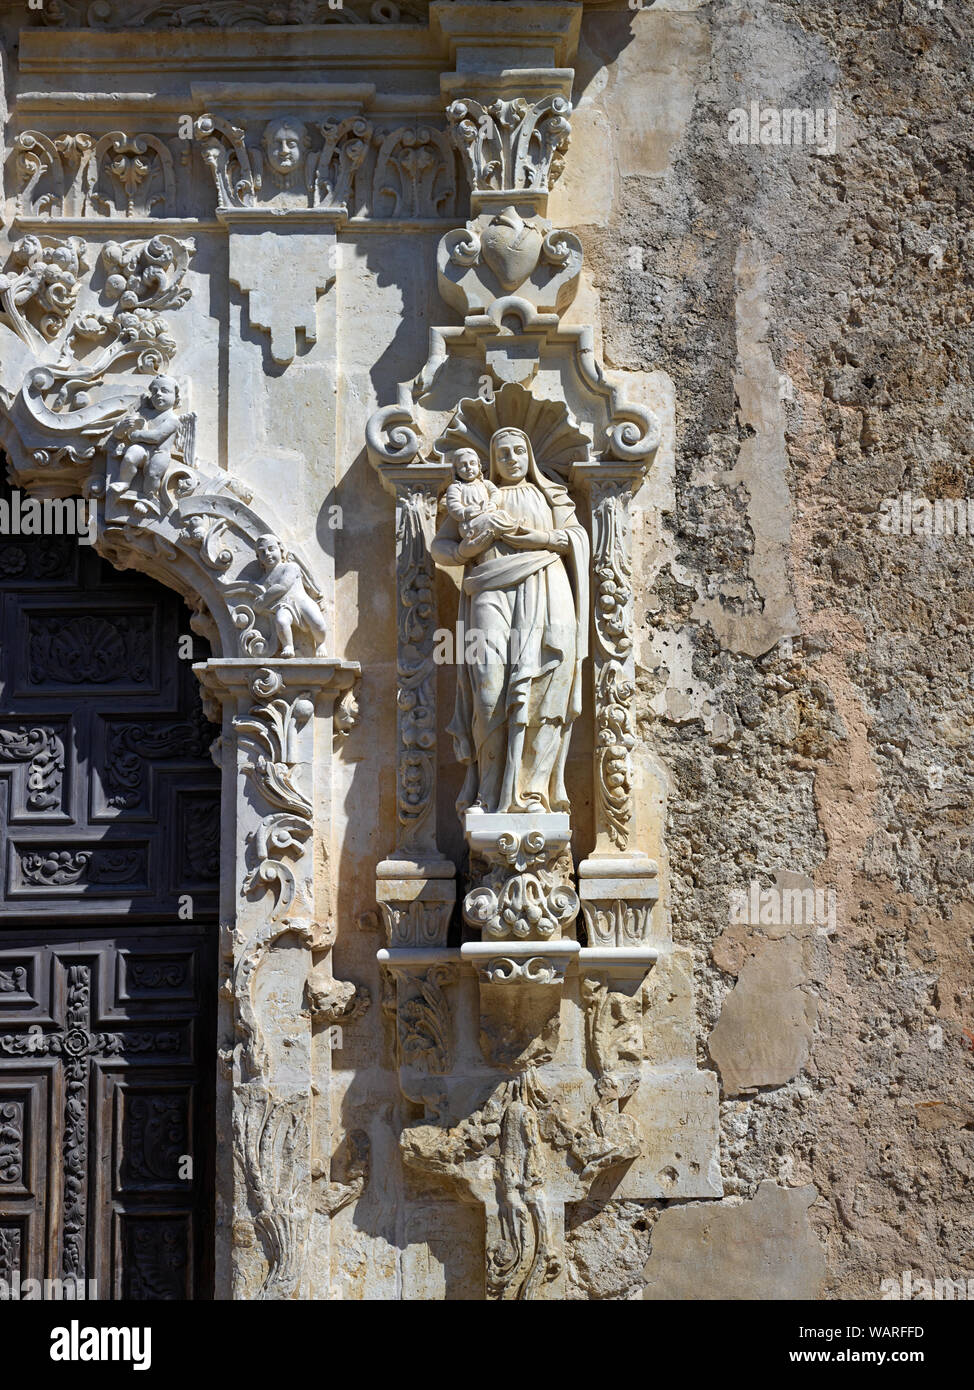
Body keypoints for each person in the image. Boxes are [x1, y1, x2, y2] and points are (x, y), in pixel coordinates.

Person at [430, 426, 589, 815]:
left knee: (544, 688)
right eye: (503, 454)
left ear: (530, 455)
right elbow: (440, 547)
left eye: (520, 451)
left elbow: (577, 539)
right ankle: (489, 793)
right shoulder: (482, 496)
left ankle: (534, 793)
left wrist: (530, 538)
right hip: (489, 589)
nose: (513, 459)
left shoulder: (549, 494)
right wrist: (471, 546)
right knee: (488, 686)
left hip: (547, 587)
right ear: (490, 463)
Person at [108, 375, 180, 504]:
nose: (158, 394)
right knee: (130, 456)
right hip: (143, 448)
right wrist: (123, 427)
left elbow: (157, 436)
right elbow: (119, 434)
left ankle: (148, 498)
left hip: (160, 453)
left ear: (175, 396)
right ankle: (124, 481)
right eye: (154, 391)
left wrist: (136, 435)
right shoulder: (145, 414)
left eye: (165, 391)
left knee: (153, 474)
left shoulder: (173, 419)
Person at [253, 534, 327, 659]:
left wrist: (263, 600)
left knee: (318, 623)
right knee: (281, 621)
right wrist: (257, 604)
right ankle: (288, 646)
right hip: (283, 606)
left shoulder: (290, 567)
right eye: (262, 552)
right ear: (258, 557)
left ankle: (320, 643)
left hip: (301, 601)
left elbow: (283, 586)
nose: (267, 554)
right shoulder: (263, 580)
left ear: (280, 550)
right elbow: (256, 595)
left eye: (271, 549)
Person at [443, 446, 518, 544]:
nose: (468, 467)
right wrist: (465, 512)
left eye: (472, 463)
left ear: (479, 466)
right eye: (463, 465)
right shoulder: (455, 488)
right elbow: (453, 505)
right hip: (469, 524)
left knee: (501, 514)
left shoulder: (485, 483)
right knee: (490, 519)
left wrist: (493, 504)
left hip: (488, 514)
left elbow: (496, 493)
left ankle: (512, 530)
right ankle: (512, 530)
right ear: (456, 470)